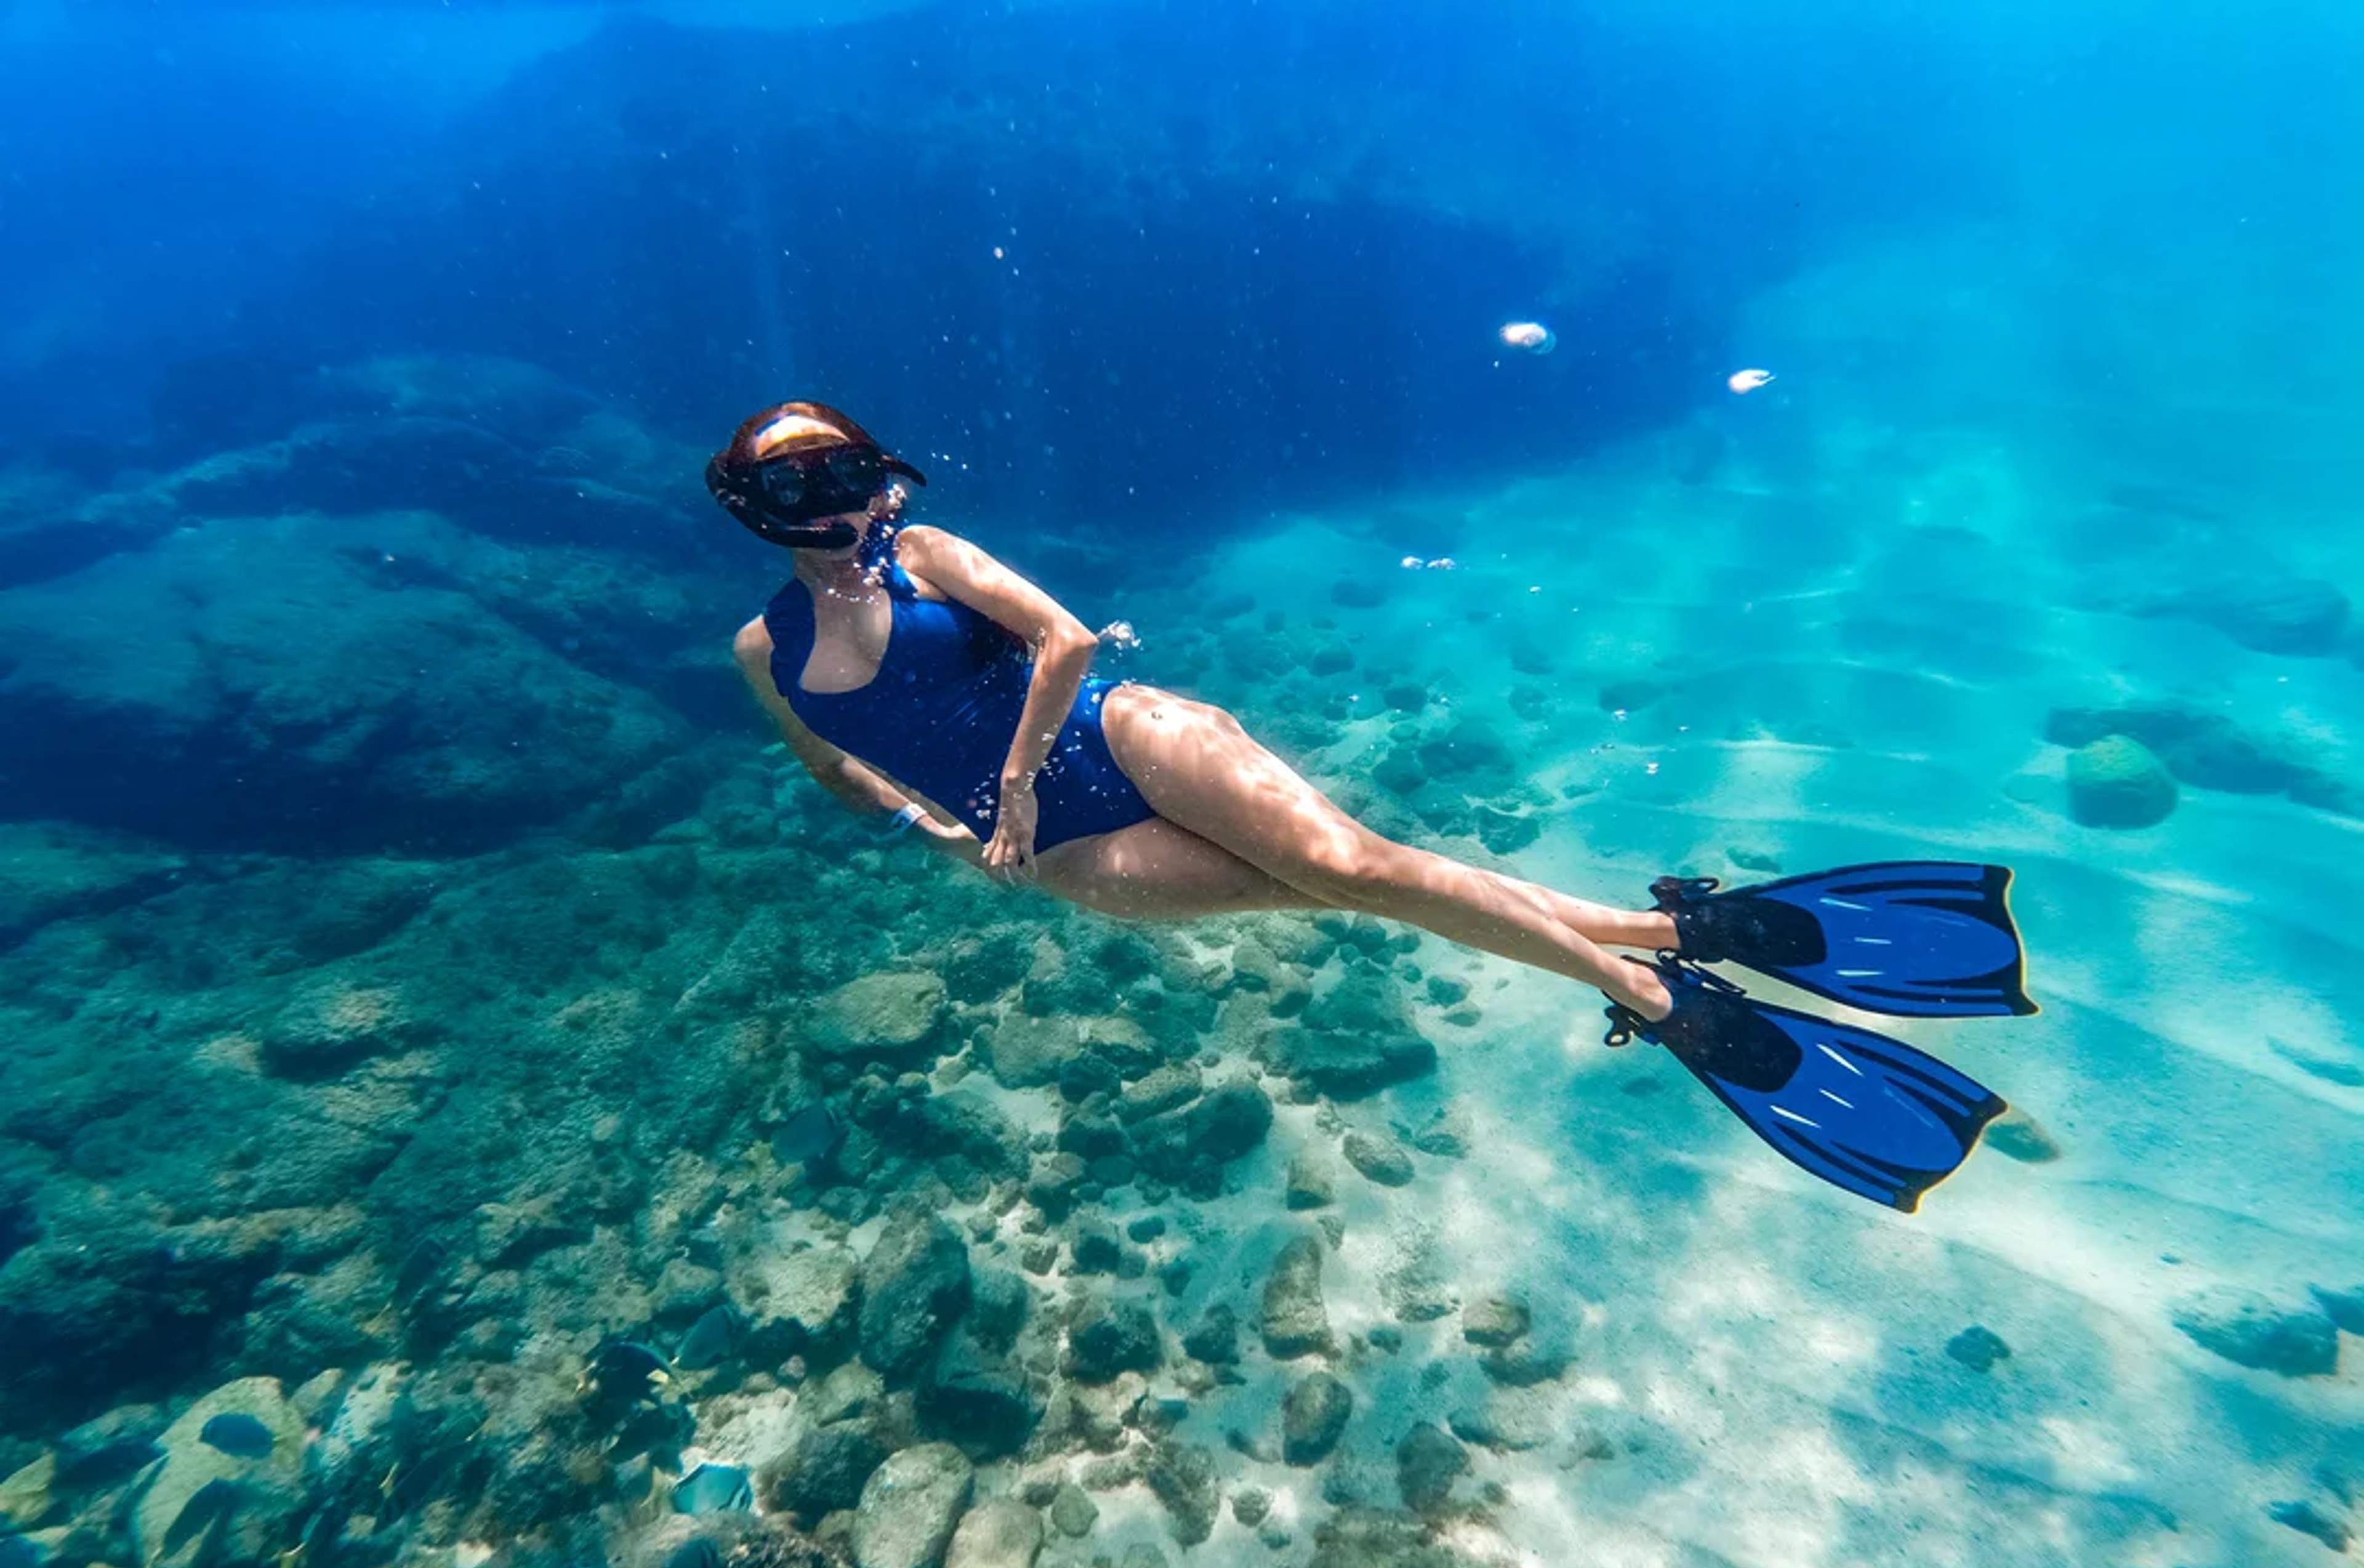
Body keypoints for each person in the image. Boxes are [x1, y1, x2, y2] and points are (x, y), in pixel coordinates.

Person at [713, 401, 2036, 1212]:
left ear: (880, 479)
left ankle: (1658, 997)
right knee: (1358, 890)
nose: (825, 510)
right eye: (790, 490)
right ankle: (1677, 937)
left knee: (1366, 861)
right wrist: (929, 830)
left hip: (1124, 736)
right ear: (753, 510)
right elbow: (834, 767)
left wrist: (999, 788)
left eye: (839, 477)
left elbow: (1059, 639)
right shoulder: (763, 651)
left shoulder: (930, 551)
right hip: (1068, 849)